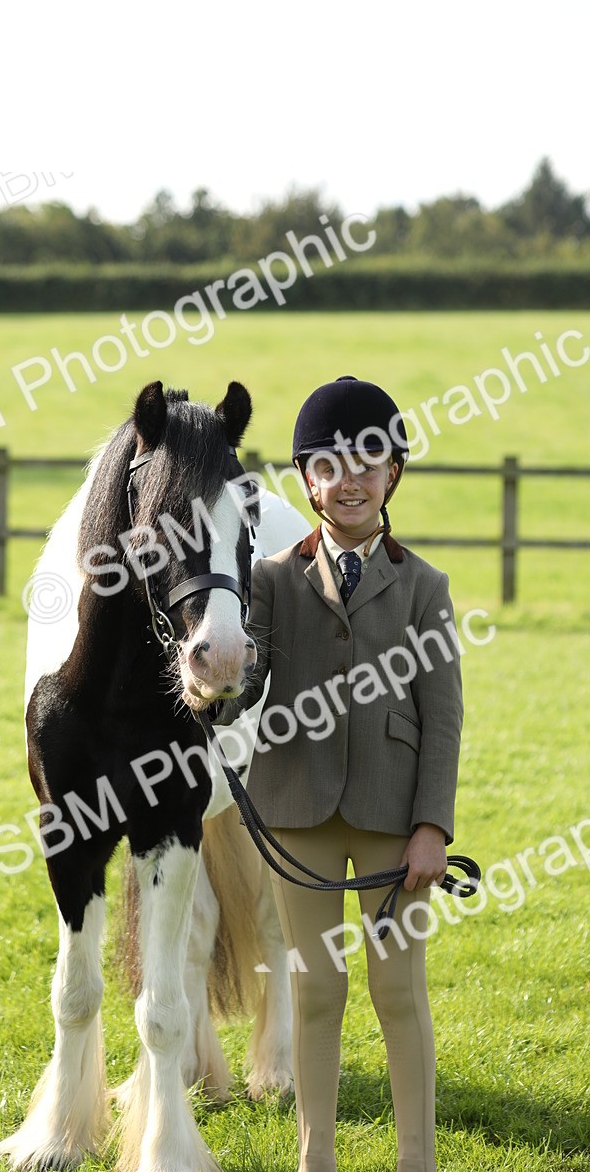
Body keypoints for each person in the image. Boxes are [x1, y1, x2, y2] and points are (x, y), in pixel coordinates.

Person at [220, 376, 463, 1172]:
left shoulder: (425, 587)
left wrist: (432, 827)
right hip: (296, 813)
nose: (348, 478)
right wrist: (214, 675)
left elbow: (443, 716)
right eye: (329, 464)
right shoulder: (269, 580)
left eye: (368, 460)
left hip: (396, 822)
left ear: (392, 473)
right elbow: (245, 682)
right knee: (316, 995)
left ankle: (416, 1160)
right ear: (307, 480)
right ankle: (314, 1157)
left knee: (399, 995)